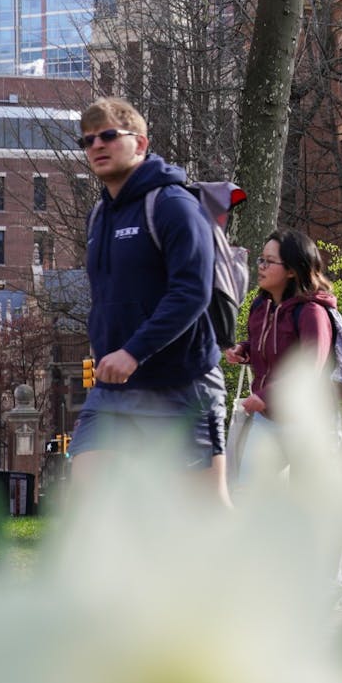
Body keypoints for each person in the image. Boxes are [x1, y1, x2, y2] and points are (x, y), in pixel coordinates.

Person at [70, 97, 231, 506]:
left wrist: (134, 351)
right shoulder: (99, 216)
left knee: (206, 509)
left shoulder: (174, 205)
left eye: (108, 135)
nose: (96, 146)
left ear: (140, 144)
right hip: (114, 388)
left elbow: (192, 291)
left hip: (180, 382)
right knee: (88, 493)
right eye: (87, 141)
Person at [223, 228, 338, 471]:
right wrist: (244, 349)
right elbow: (267, 347)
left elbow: (309, 369)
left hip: (307, 423)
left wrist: (264, 396)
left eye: (269, 261)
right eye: (260, 259)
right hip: (267, 420)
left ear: (292, 271)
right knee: (250, 496)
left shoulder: (311, 313)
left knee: (304, 505)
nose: (261, 267)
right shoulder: (261, 306)